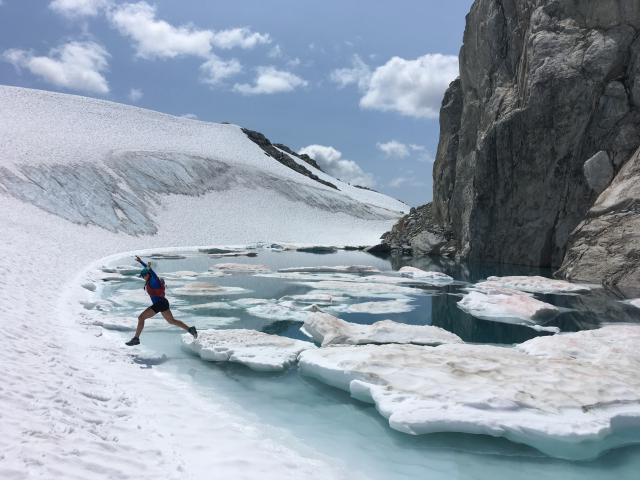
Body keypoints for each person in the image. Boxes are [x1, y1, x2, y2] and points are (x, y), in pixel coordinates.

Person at [125, 255, 198, 346]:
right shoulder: (150, 279)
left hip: (159, 303)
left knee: (141, 318)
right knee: (171, 321)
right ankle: (190, 329)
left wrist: (143, 263)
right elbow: (148, 269)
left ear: (147, 275)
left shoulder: (154, 280)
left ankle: (136, 338)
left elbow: (150, 270)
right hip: (163, 303)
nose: (143, 277)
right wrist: (141, 262)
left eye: (143, 276)